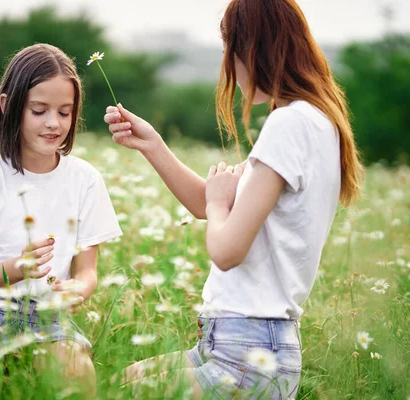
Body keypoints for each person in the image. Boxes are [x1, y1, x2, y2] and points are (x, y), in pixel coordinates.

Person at [104, 0, 363, 398]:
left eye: (230, 48)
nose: (229, 63)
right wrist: (152, 145)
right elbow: (207, 203)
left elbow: (226, 249)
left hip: (250, 349)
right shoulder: (315, 120)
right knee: (127, 380)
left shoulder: (289, 124)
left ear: (251, 48)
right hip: (239, 342)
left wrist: (217, 203)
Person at [0, 43, 122, 393]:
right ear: (9, 106)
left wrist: (79, 288)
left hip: (49, 317)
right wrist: (15, 269)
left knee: (76, 373)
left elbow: (87, 270)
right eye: (39, 110)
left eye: (65, 112)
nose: (54, 123)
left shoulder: (85, 180)